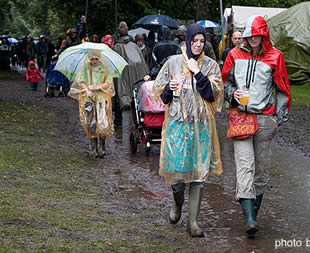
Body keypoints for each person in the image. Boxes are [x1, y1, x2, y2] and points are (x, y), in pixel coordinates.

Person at [152, 23, 224, 237]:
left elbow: (213, 96)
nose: (198, 45)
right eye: (195, 41)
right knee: (177, 175)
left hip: (201, 125)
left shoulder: (211, 66)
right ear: (188, 41)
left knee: (199, 175)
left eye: (202, 41)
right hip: (177, 126)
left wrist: (198, 73)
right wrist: (169, 89)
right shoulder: (173, 63)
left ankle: (193, 223)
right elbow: (162, 96)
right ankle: (177, 205)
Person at [222, 16, 291, 238]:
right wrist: (232, 95)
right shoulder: (234, 55)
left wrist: (277, 119)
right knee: (245, 167)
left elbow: (282, 88)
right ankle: (249, 220)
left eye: (257, 34)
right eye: (250, 34)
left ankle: (254, 213)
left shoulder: (275, 57)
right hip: (241, 118)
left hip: (265, 120)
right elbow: (225, 83)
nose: (253, 39)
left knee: (261, 172)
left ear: (264, 34)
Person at [68, 49, 115, 158]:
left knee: (102, 122)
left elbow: (109, 82)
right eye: (92, 59)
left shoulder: (105, 69)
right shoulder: (86, 68)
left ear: (99, 58)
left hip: (101, 99)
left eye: (96, 59)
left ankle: (102, 148)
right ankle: (94, 148)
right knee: (90, 123)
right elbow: (82, 81)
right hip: (88, 99)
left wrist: (98, 87)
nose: (94, 61)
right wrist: (87, 90)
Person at [112, 21, 149, 126]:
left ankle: (119, 121)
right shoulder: (134, 46)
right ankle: (138, 121)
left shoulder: (116, 47)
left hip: (124, 82)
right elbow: (143, 64)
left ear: (118, 34)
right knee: (136, 103)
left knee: (121, 100)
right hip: (137, 81)